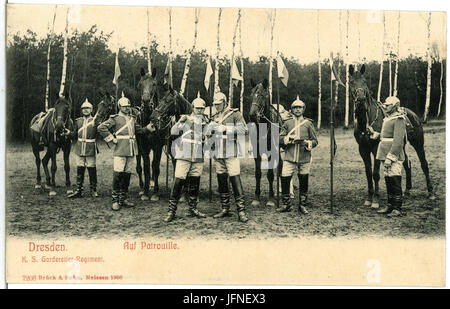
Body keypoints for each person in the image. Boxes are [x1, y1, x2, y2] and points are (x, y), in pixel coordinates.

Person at [98, 93, 151, 211]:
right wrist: (111, 138)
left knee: (127, 175)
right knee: (118, 175)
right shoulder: (115, 118)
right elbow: (101, 127)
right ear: (119, 107)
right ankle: (115, 200)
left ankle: (124, 198)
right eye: (124, 106)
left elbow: (140, 131)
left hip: (131, 150)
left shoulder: (132, 119)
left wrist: (148, 128)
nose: (127, 108)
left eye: (128, 106)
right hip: (120, 149)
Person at [163, 93, 208, 223]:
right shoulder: (185, 119)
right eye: (197, 108)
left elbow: (209, 137)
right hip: (184, 154)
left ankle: (192, 208)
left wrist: (207, 137)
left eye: (202, 108)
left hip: (198, 155)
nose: (199, 110)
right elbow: (173, 132)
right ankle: (171, 211)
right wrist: (179, 123)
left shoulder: (206, 122)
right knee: (178, 182)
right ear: (192, 108)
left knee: (195, 183)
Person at [208, 92, 249, 223]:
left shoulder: (235, 114)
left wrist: (226, 128)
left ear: (225, 103)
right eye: (215, 104)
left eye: (219, 104)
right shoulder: (214, 116)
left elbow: (244, 130)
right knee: (221, 179)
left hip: (231, 151)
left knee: (235, 178)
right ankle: (225, 208)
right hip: (217, 152)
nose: (217, 107)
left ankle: (241, 211)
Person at [278, 96, 318, 214]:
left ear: (303, 109)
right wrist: (287, 138)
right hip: (289, 156)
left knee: (303, 179)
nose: (297, 110)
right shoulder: (287, 123)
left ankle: (302, 205)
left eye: (300, 107)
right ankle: (286, 205)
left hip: (304, 157)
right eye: (295, 108)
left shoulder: (308, 124)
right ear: (291, 109)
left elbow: (315, 141)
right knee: (284, 178)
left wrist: (307, 143)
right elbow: (279, 138)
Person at [376, 96, 407, 217]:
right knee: (388, 179)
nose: (385, 106)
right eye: (385, 105)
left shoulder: (399, 119)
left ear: (394, 106)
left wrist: (391, 157)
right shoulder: (388, 118)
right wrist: (376, 134)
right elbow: (386, 136)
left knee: (395, 179)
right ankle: (390, 205)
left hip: (393, 155)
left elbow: (398, 141)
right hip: (384, 153)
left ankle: (397, 208)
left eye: (387, 105)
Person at [68, 99, 99, 198]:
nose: (85, 110)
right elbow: (74, 135)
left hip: (90, 147)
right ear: (81, 110)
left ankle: (93, 190)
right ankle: (79, 190)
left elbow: (101, 132)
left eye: (88, 108)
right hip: (79, 147)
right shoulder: (78, 121)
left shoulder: (95, 121)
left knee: (92, 169)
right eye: (84, 109)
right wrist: (68, 133)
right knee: (80, 169)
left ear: (91, 110)